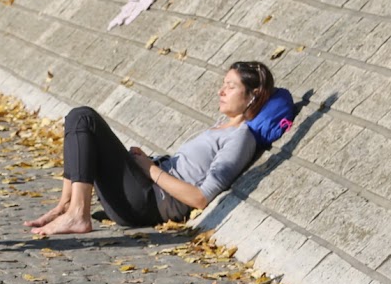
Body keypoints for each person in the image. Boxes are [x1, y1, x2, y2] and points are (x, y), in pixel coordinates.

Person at [28, 61, 274, 235]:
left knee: (84, 118)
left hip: (150, 202)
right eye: (223, 84)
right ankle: (65, 206)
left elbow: (200, 199)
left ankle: (78, 215)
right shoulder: (220, 126)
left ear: (253, 95)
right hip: (143, 190)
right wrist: (147, 163)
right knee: (76, 119)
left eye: (231, 86)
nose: (221, 91)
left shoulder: (241, 138)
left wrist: (148, 168)